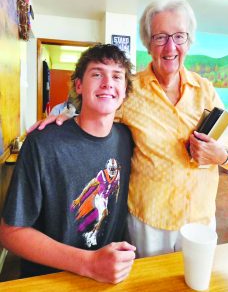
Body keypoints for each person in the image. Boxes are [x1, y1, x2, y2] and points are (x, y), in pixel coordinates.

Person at [29, 0, 228, 258]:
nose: (170, 47)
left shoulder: (205, 90)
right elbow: (97, 114)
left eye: (179, 36)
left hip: (200, 219)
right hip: (149, 223)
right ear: (148, 42)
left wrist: (221, 155)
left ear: (189, 41)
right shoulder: (130, 89)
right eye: (160, 37)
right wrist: (66, 117)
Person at [0, 44, 136, 283]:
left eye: (117, 76)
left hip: (108, 279)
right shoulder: (43, 143)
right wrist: (89, 263)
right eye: (97, 73)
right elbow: (10, 232)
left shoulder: (128, 138)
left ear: (125, 90)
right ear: (79, 85)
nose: (107, 83)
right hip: (50, 280)